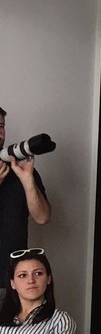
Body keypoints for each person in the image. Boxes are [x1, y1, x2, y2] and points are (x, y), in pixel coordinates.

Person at [0, 107, 52, 295]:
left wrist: (27, 178)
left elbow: (42, 217)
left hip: (13, 280)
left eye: (1, 126)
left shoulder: (18, 167)